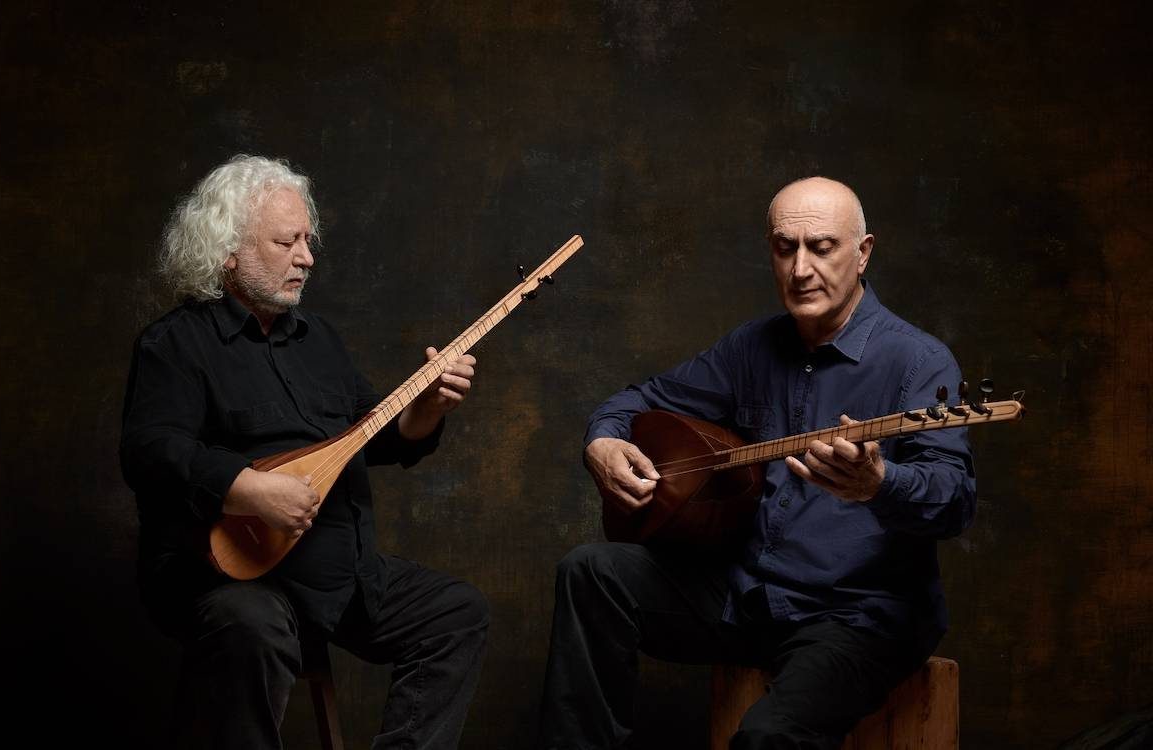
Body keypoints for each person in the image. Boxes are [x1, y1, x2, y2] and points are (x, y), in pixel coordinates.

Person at [537, 177, 976, 749]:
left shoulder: (920, 361)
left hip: (855, 617)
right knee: (590, 573)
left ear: (863, 252)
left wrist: (879, 483)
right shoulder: (751, 348)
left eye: (821, 247)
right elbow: (638, 399)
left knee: (767, 737)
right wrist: (602, 440)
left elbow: (954, 499)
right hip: (749, 597)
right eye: (784, 248)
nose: (800, 270)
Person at [120, 155, 489, 749]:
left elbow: (376, 437)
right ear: (228, 250)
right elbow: (150, 452)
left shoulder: (319, 341)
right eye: (285, 241)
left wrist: (426, 411)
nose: (307, 257)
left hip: (338, 573)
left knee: (456, 612)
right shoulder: (176, 344)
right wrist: (248, 489)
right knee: (253, 626)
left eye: (308, 240)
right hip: (229, 580)